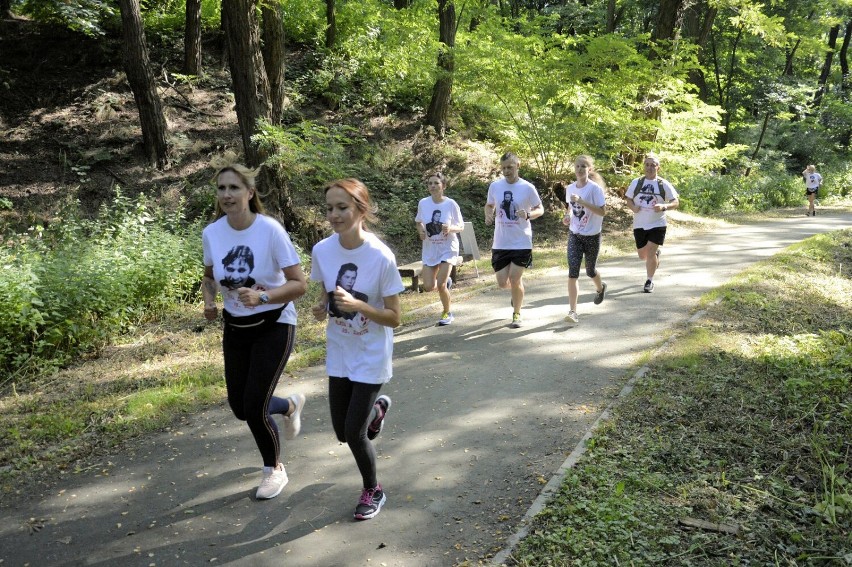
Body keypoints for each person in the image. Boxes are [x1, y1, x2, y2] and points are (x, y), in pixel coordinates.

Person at [201, 156, 308, 501]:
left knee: (255, 406)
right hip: (236, 327)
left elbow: (299, 284)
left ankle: (273, 469)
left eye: (234, 188)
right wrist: (209, 302)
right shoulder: (212, 233)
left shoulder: (269, 230)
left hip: (274, 323)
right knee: (239, 406)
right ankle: (290, 406)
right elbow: (208, 276)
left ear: (249, 193)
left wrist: (263, 298)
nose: (227, 194)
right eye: (222, 188)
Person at [310, 178, 405, 520]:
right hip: (339, 350)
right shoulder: (322, 250)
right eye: (329, 208)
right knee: (341, 431)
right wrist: (323, 306)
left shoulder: (380, 257)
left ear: (361, 210)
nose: (334, 215)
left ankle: (373, 490)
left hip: (370, 353)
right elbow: (326, 292)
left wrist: (359, 306)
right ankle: (376, 412)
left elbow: (395, 318)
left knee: (353, 432)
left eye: (342, 208)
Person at [484, 152, 543, 328]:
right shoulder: (495, 186)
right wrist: (489, 214)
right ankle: (516, 295)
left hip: (521, 241)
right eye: (503, 168)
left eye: (510, 167)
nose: (506, 171)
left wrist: (529, 214)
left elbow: (540, 208)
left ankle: (517, 313)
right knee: (503, 283)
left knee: (515, 278)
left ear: (518, 165)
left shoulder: (527, 187)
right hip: (501, 242)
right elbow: (489, 204)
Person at [561, 155, 608, 323]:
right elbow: (571, 209)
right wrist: (567, 217)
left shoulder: (595, 189)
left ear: (589, 169)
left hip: (592, 236)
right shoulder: (569, 188)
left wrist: (583, 201)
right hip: (575, 234)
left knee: (590, 270)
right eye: (577, 166)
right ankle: (572, 311)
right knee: (573, 273)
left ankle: (600, 288)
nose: (580, 169)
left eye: (583, 166)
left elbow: (603, 212)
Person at [623, 153, 679, 293]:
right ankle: (654, 257)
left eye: (653, 165)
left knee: (651, 251)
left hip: (658, 224)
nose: (649, 167)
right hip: (639, 224)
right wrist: (633, 207)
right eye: (647, 165)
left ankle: (649, 281)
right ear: (644, 166)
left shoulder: (663, 184)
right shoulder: (636, 182)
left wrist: (664, 206)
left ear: (658, 167)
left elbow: (676, 202)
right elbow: (628, 199)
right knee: (643, 255)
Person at [415, 172, 464, 325]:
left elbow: (461, 227)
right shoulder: (423, 203)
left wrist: (450, 228)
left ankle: (447, 313)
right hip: (430, 249)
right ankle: (446, 282)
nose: (433, 186)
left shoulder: (450, 204)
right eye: (430, 183)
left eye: (436, 183)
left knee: (441, 285)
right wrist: (421, 231)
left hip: (448, 248)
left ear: (443, 186)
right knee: (428, 286)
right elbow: (418, 222)